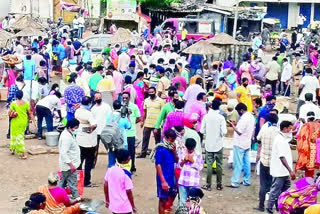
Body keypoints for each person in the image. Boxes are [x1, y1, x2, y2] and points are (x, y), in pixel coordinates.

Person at [267, 121, 295, 214]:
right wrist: (291, 171)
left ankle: (281, 206)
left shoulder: (283, 138)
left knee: (285, 191)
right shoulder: (279, 140)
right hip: (280, 170)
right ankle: (269, 208)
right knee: (275, 190)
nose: (291, 131)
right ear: (285, 129)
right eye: (290, 129)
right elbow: (282, 157)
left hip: (284, 171)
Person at [254, 113, 279, 212]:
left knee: (263, 185)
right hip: (275, 162)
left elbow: (258, 139)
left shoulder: (265, 129)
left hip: (264, 160)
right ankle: (275, 205)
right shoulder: (278, 132)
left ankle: (261, 205)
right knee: (275, 185)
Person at [201, 98, 227, 191]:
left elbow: (202, 130)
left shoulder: (206, 117)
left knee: (209, 165)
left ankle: (208, 185)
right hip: (218, 144)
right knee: (219, 164)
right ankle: (219, 184)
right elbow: (224, 131)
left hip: (209, 144)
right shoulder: (221, 117)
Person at [228, 103, 255, 188]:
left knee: (238, 163)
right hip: (247, 142)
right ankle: (246, 180)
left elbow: (239, 132)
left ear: (241, 110)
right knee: (247, 162)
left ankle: (235, 181)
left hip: (240, 143)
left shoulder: (244, 119)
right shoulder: (251, 117)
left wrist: (233, 126)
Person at [104, 149, 137, 214]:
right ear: (126, 160)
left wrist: (107, 200)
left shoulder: (110, 170)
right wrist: (133, 206)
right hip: (125, 207)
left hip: (114, 205)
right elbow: (128, 192)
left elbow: (105, 184)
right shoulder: (126, 174)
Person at [74, 96, 97, 187]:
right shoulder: (88, 114)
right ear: (89, 103)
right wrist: (89, 129)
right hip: (89, 141)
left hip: (79, 138)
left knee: (79, 161)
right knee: (89, 162)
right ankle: (86, 181)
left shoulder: (77, 111)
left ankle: (78, 180)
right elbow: (94, 125)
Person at [155, 129, 177, 214]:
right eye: (171, 139)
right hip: (163, 179)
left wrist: (174, 152)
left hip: (171, 177)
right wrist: (163, 181)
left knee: (170, 197)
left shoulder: (171, 147)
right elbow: (158, 165)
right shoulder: (160, 149)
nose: (172, 141)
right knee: (163, 200)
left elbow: (176, 160)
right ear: (166, 138)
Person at [137, 87, 164, 158]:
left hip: (157, 124)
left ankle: (158, 154)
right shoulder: (146, 100)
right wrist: (142, 121)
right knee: (145, 139)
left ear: (155, 92)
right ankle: (143, 153)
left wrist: (161, 123)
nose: (151, 93)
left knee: (157, 140)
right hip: (147, 123)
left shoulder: (160, 101)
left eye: (152, 92)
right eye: (150, 92)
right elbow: (144, 112)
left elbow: (162, 113)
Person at [58, 118, 81, 200]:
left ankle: (56, 196)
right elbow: (64, 152)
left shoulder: (68, 133)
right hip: (69, 165)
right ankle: (76, 197)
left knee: (62, 182)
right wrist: (71, 165)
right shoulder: (66, 137)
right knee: (72, 183)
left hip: (69, 164)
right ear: (72, 127)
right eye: (76, 128)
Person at [9, 90, 35, 159]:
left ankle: (22, 152)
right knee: (20, 136)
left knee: (14, 135)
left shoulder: (13, 104)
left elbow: (9, 113)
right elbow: (30, 113)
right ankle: (13, 149)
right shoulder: (26, 103)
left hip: (15, 121)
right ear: (22, 96)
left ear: (16, 96)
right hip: (23, 121)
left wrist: (13, 113)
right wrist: (34, 122)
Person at [178, 138, 203, 207]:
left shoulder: (198, 154)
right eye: (188, 149)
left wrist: (192, 161)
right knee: (182, 202)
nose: (189, 151)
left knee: (193, 203)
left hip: (193, 182)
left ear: (194, 147)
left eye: (191, 149)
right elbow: (179, 166)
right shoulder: (182, 152)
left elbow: (200, 167)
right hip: (182, 181)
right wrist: (184, 161)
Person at [106, 100, 131, 168]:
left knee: (111, 162)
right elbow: (129, 126)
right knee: (124, 162)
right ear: (121, 107)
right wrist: (128, 116)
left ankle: (111, 176)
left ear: (113, 107)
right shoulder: (123, 118)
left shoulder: (109, 116)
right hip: (122, 142)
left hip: (112, 142)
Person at [296, 112, 320, 178]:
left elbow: (299, 137)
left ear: (307, 119)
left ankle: (305, 184)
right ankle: (310, 182)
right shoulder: (318, 125)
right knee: (311, 169)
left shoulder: (305, 125)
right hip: (316, 149)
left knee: (307, 169)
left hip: (306, 149)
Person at [91, 92, 112, 167]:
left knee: (109, 148)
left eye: (99, 98)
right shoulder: (93, 109)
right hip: (96, 132)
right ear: (94, 99)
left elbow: (110, 118)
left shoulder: (107, 107)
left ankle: (112, 162)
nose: (98, 99)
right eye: (96, 98)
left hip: (105, 131)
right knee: (94, 149)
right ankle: (92, 164)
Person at [122, 92, 141, 173]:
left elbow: (138, 118)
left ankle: (132, 166)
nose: (124, 99)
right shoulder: (120, 106)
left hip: (131, 133)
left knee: (131, 151)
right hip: (122, 133)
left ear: (129, 98)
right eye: (123, 97)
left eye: (126, 97)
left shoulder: (134, 106)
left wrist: (132, 123)